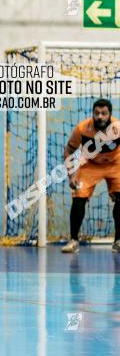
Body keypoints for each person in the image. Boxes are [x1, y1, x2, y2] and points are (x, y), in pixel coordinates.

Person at [61, 98, 120, 253]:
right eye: (97, 113)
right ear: (93, 114)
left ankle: (118, 241)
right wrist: (71, 175)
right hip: (90, 165)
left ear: (110, 115)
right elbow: (68, 151)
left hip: (115, 164)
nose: (100, 117)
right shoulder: (82, 129)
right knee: (78, 199)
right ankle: (73, 240)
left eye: (104, 113)